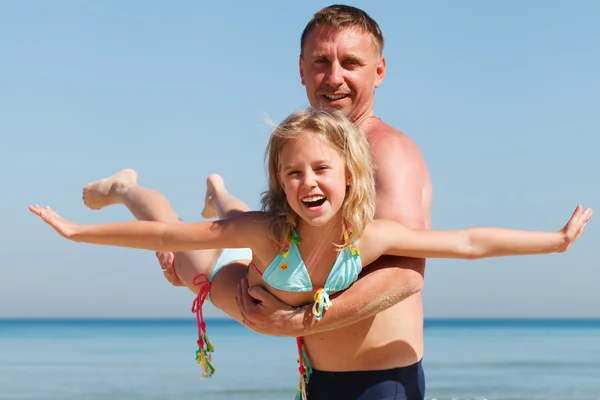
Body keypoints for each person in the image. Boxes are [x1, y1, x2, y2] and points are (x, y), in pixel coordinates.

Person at [31, 108, 592, 400]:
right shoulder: (268, 230)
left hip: (308, 342)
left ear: (349, 175)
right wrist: (80, 231)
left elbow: (468, 243)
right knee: (184, 258)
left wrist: (556, 241)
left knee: (226, 222)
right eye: (293, 173)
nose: (309, 182)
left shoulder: (369, 235)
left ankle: (217, 191)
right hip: (254, 287)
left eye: (321, 169)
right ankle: (125, 186)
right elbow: (169, 236)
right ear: (280, 181)